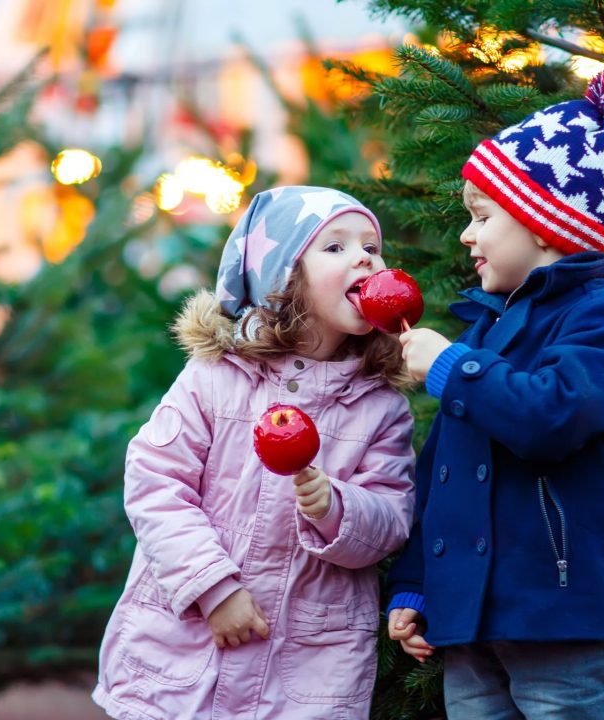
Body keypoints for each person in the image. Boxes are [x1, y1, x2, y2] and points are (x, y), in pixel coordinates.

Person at [386, 66, 604, 719]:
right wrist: (416, 585)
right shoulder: (485, 327)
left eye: (481, 216)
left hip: (563, 617)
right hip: (470, 620)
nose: (466, 235)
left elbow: (552, 413)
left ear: (545, 222)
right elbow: (445, 470)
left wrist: (453, 367)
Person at [93, 186, 416, 719]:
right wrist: (213, 589)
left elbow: (391, 520)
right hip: (189, 651)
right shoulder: (216, 378)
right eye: (334, 247)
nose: (365, 257)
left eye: (372, 247)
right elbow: (155, 481)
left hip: (304, 666)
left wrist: (334, 507)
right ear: (283, 277)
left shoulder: (380, 407)